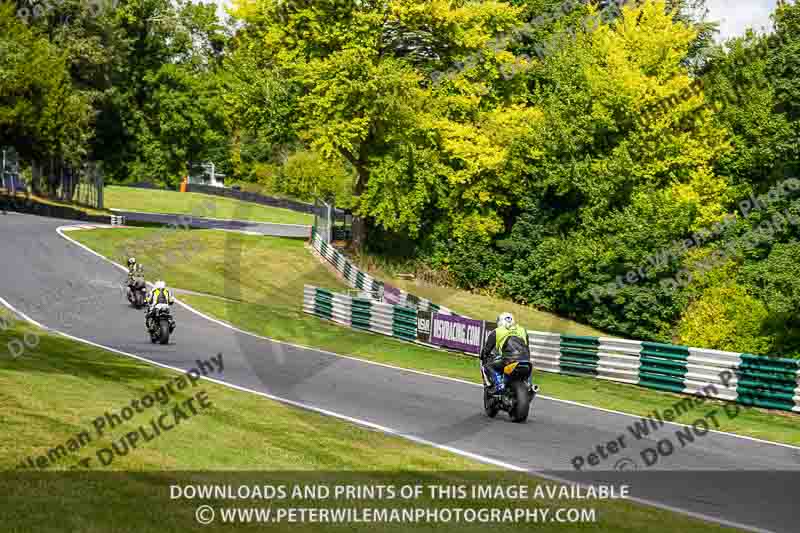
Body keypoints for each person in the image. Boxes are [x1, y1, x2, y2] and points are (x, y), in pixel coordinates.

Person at [480, 312, 530, 394]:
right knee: (527, 366)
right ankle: (529, 385)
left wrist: (483, 357)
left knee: (488, 366)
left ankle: (498, 384)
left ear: (500, 322)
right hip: (525, 360)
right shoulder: (523, 330)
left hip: (509, 359)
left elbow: (487, 349)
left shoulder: (497, 331)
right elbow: (527, 347)